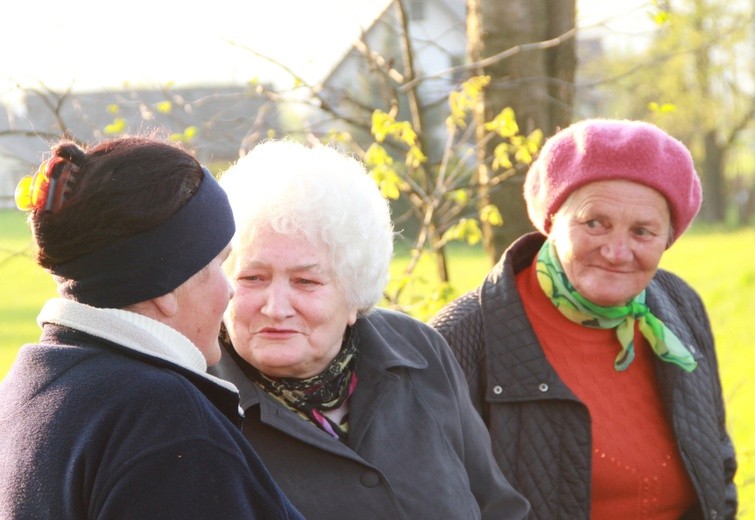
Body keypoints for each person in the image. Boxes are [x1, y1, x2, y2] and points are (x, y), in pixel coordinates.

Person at [431, 118, 738, 520]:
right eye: (595, 222)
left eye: (643, 231)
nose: (617, 251)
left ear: (668, 238)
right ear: (552, 220)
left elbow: (718, 465)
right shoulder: (459, 340)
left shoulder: (680, 307)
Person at [209, 139, 530, 520]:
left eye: (306, 282)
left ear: (355, 291)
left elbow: (499, 507)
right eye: (253, 277)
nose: (275, 307)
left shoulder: (419, 350)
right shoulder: (199, 400)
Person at [0, 135, 303, 519]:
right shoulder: (167, 424)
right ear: (166, 286)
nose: (229, 292)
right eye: (217, 266)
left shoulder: (31, 385)